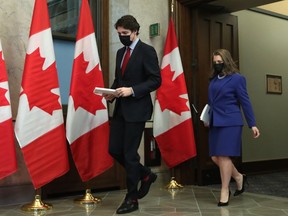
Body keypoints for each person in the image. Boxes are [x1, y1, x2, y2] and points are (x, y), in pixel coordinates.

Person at [103, 15, 161, 214]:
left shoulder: (147, 51)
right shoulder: (120, 53)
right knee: (114, 149)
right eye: (119, 34)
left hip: (137, 110)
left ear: (135, 31)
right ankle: (146, 174)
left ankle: (131, 198)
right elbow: (119, 79)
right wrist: (111, 93)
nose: (122, 37)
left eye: (125, 34)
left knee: (129, 154)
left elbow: (155, 80)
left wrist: (132, 90)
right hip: (120, 109)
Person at [206, 49, 260, 207]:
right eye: (215, 62)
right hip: (215, 121)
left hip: (231, 122)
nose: (217, 65)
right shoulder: (214, 80)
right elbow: (211, 102)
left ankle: (224, 190)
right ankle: (238, 177)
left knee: (223, 156)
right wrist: (207, 118)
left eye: (219, 62)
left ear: (226, 61)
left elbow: (245, 101)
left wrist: (253, 124)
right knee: (215, 157)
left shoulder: (237, 79)